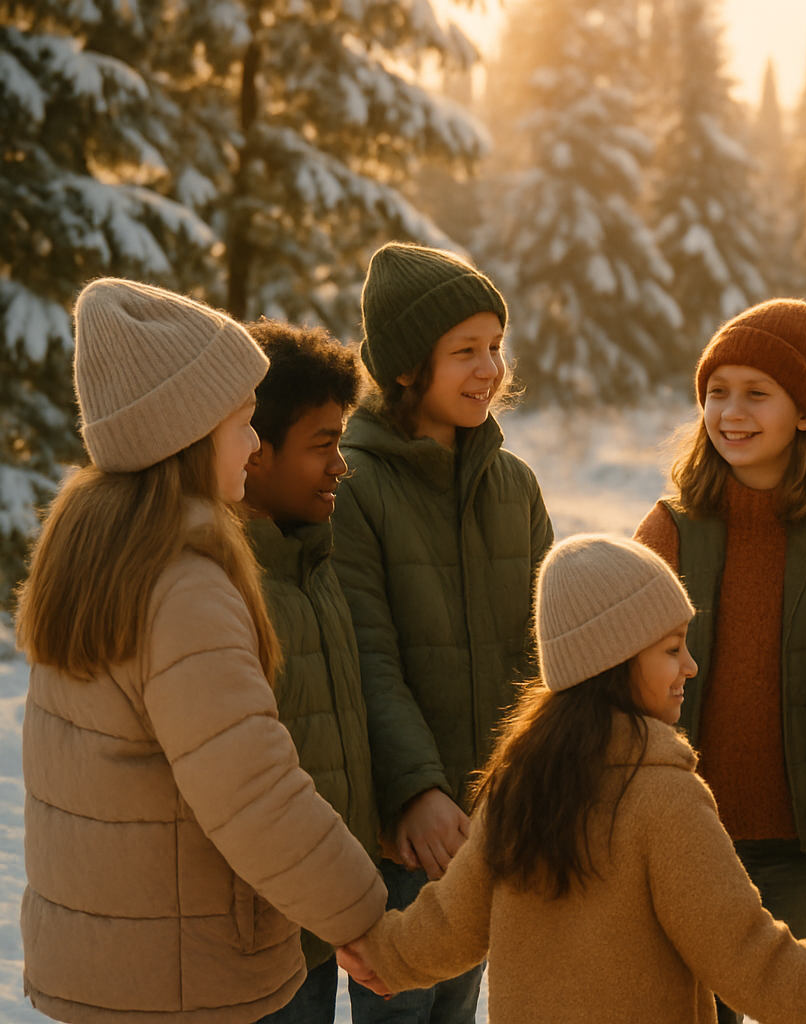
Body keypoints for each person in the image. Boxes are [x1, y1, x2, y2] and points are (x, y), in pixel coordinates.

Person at [334, 535, 806, 1024]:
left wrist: (385, 956)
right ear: (613, 661)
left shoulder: (521, 781)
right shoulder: (663, 796)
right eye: (672, 650)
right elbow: (742, 950)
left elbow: (451, 920)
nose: (690, 667)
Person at [16, 279, 385, 1023]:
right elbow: (255, 793)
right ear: (186, 431)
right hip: (183, 978)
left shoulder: (99, 547)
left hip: (109, 962)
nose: (254, 445)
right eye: (243, 423)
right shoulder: (183, 583)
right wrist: (364, 913)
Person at [631, 299, 806, 1020]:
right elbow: (623, 687)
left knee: (801, 1005)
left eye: (757, 393)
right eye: (718, 392)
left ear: (805, 413)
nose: (732, 412)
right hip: (690, 837)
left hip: (801, 843)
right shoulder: (671, 528)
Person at [331, 242, 554, 1024]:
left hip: (490, 825)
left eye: (495, 346)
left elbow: (543, 654)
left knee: (460, 1013)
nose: (489, 368)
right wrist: (416, 791)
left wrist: (529, 785)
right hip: (401, 834)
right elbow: (366, 657)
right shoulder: (351, 485)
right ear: (403, 368)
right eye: (464, 352)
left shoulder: (513, 486)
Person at [241, 319, 379, 1023]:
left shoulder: (314, 560)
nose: (341, 465)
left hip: (316, 939)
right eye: (323, 445)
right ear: (253, 453)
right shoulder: (227, 586)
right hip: (251, 949)